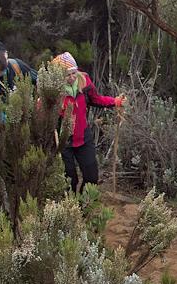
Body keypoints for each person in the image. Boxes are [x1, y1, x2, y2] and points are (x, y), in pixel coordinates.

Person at [53, 52, 124, 194]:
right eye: (67, 75)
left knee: (91, 177)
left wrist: (115, 102)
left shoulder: (84, 81)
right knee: (69, 180)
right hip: (63, 141)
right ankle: (71, 204)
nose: (72, 77)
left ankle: (85, 203)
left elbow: (96, 99)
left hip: (83, 137)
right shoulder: (53, 90)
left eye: (74, 73)